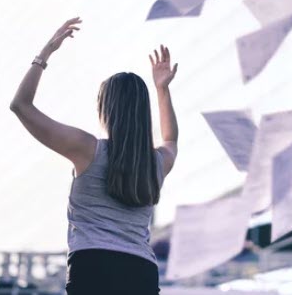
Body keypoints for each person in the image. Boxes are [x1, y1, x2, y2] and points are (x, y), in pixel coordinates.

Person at [10, 18, 178, 294]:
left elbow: (21, 106)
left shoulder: (87, 148)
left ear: (106, 109)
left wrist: (45, 53)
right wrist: (162, 89)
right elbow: (171, 139)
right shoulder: (156, 163)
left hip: (93, 266)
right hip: (141, 273)